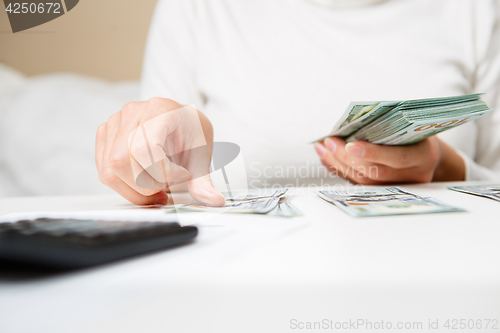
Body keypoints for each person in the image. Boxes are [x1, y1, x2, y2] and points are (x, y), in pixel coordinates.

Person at [95, 0, 500, 206]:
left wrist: (446, 168)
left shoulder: (476, 10)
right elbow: (159, 192)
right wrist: (148, 159)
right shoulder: (199, 8)